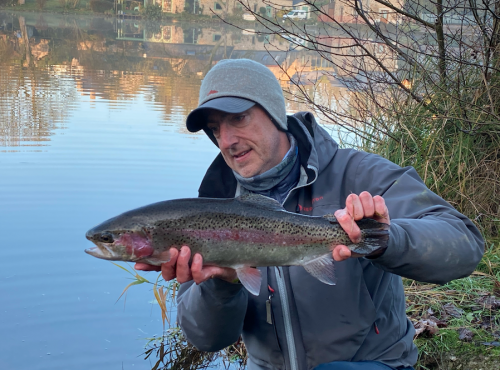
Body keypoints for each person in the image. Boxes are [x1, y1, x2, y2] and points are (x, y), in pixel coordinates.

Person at [135, 59, 484, 370]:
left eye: (239, 119)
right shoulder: (207, 211)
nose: (226, 140)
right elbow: (208, 340)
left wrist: (386, 240)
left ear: (273, 114)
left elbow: (464, 244)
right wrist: (221, 287)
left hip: (371, 363)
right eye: (215, 129)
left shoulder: (359, 174)